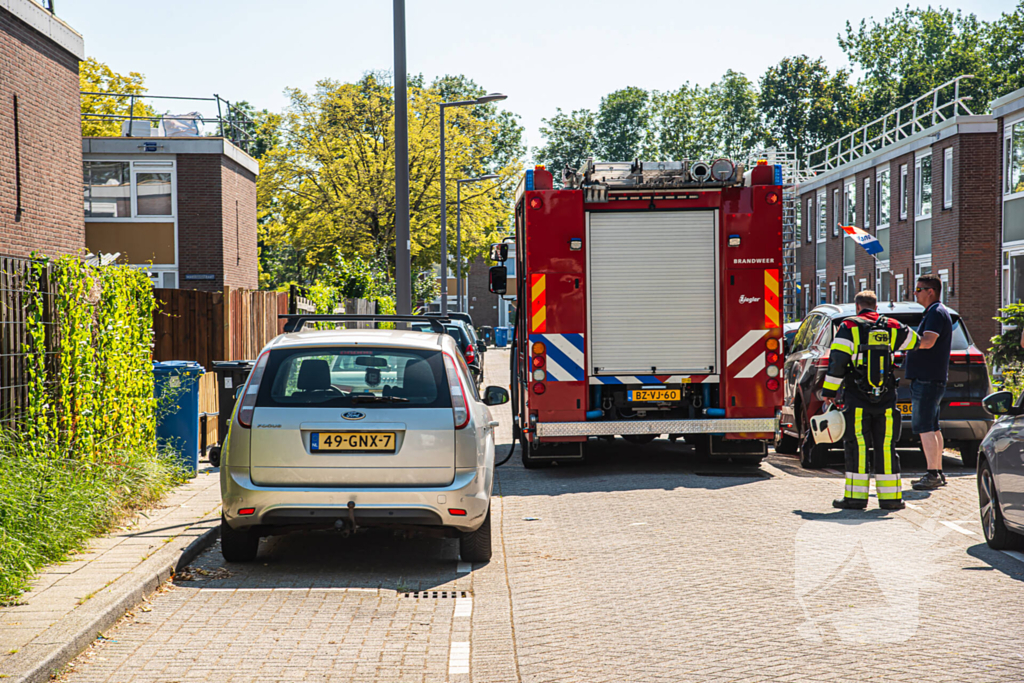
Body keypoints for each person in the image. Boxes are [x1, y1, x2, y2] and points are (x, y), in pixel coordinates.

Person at [823, 290, 920, 510]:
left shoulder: (848, 327)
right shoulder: (893, 326)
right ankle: (891, 500)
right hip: (886, 396)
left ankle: (856, 499)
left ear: (857, 307)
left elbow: (837, 361)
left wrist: (829, 391)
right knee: (886, 445)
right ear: (876, 307)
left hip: (857, 396)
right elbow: (916, 342)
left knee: (857, 443)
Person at [907, 276, 954, 491]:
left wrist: (906, 340)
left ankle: (932, 473)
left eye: (918, 289)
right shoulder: (936, 312)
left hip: (927, 378)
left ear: (931, 291)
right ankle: (938, 471)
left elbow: (927, 342)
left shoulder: (936, 313)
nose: (914, 293)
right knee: (933, 427)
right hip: (931, 377)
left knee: (925, 427)